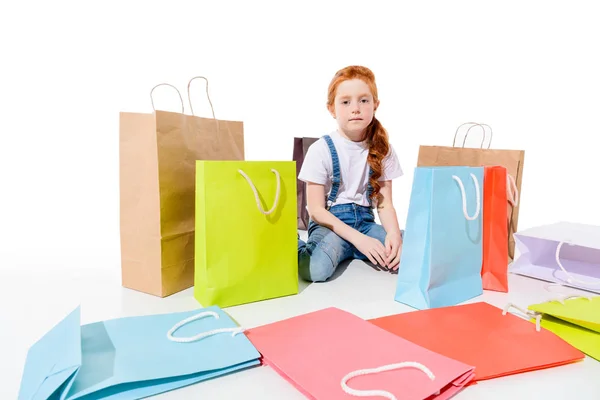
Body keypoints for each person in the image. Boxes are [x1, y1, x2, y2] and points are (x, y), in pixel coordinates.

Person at [297, 65, 404, 282]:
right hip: (331, 224)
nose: (355, 108)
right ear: (332, 109)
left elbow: (384, 204)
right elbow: (316, 210)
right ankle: (290, 240)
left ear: (375, 105)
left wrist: (393, 234)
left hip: (364, 222)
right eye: (345, 102)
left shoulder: (383, 148)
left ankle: (352, 251)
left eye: (363, 100)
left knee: (411, 252)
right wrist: (359, 240)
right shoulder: (321, 149)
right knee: (314, 269)